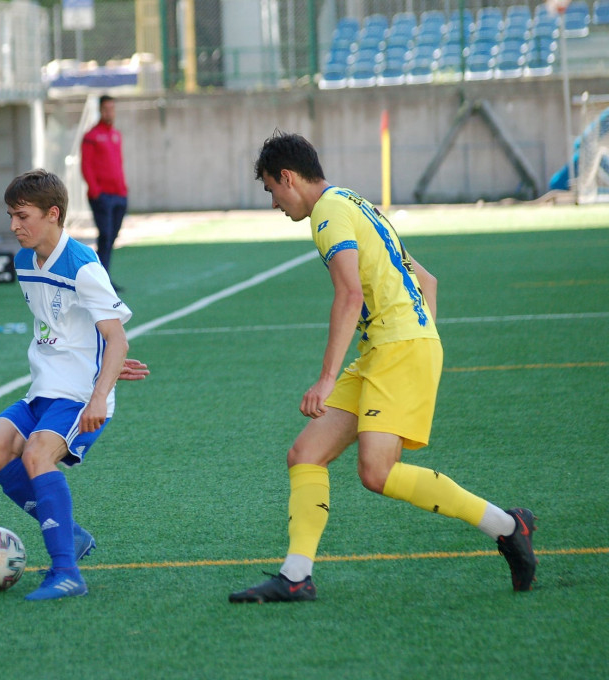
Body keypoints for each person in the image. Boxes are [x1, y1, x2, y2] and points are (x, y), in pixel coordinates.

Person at [229, 132, 536, 603]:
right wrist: (416, 337)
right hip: (390, 350)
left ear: (288, 177)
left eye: (271, 189)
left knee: (377, 473)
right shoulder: (356, 203)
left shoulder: (328, 214)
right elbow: (426, 281)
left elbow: (350, 294)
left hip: (397, 351)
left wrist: (332, 375)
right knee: (305, 454)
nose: (274, 203)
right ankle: (296, 576)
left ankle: (506, 526)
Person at [0, 169, 147, 601]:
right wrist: (98, 359)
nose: (14, 226)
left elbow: (117, 338)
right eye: (11, 216)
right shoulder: (23, 261)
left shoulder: (83, 265)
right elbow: (62, 327)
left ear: (53, 214)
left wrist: (99, 390)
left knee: (36, 454)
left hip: (78, 398)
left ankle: (66, 572)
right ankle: (70, 535)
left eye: (22, 216)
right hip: (43, 388)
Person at [80, 94, 128, 291]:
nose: (110, 112)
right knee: (105, 235)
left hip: (119, 194)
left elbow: (118, 164)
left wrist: (124, 190)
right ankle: (100, 279)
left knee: (112, 236)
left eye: (112, 108)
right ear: (100, 110)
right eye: (106, 108)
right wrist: (95, 191)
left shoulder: (115, 135)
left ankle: (103, 276)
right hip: (102, 196)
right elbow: (86, 166)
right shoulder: (91, 136)